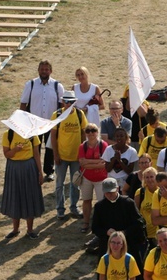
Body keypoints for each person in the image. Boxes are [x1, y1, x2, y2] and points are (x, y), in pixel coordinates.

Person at [91, 177, 147, 280]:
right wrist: (106, 232)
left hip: (129, 242)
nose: (110, 195)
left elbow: (139, 223)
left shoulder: (128, 203)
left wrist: (124, 233)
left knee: (135, 267)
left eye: (112, 192)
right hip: (108, 244)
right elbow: (95, 228)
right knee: (104, 269)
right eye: (107, 193)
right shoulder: (99, 206)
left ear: (118, 189)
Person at [20, 59, 64, 181]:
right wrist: (22, 120)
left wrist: (59, 121)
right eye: (42, 69)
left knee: (50, 147)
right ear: (38, 70)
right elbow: (24, 103)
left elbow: (62, 104)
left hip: (51, 123)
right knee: (35, 147)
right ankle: (35, 170)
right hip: (34, 123)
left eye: (46, 69)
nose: (44, 72)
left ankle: (49, 171)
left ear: (51, 71)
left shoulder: (57, 86)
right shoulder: (30, 84)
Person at [0, 128, 44, 239]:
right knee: (15, 196)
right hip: (13, 168)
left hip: (29, 167)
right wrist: (15, 150)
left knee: (30, 196)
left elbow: (36, 155)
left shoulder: (32, 135)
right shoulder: (8, 134)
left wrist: (40, 172)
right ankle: (15, 229)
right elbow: (7, 155)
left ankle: (30, 229)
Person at [51, 90, 87, 220]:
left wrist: (82, 153)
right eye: (66, 101)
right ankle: (60, 209)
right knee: (59, 184)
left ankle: (74, 207)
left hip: (76, 156)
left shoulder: (79, 114)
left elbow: (84, 133)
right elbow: (53, 136)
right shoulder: (57, 115)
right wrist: (55, 154)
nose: (68, 104)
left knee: (75, 183)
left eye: (71, 102)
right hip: (61, 155)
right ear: (62, 102)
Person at [77, 124, 108, 233]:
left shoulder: (103, 145)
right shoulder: (82, 146)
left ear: (97, 132)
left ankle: (102, 223)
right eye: (88, 131)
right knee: (86, 200)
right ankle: (86, 222)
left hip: (101, 178)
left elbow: (104, 163)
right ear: (85, 133)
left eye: (93, 130)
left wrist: (88, 162)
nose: (91, 133)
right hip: (87, 178)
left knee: (102, 202)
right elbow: (82, 163)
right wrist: (97, 162)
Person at [135, 166, 159, 248]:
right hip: (145, 231)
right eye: (147, 177)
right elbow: (135, 211)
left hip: (158, 231)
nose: (149, 179)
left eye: (152, 177)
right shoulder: (140, 192)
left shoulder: (162, 191)